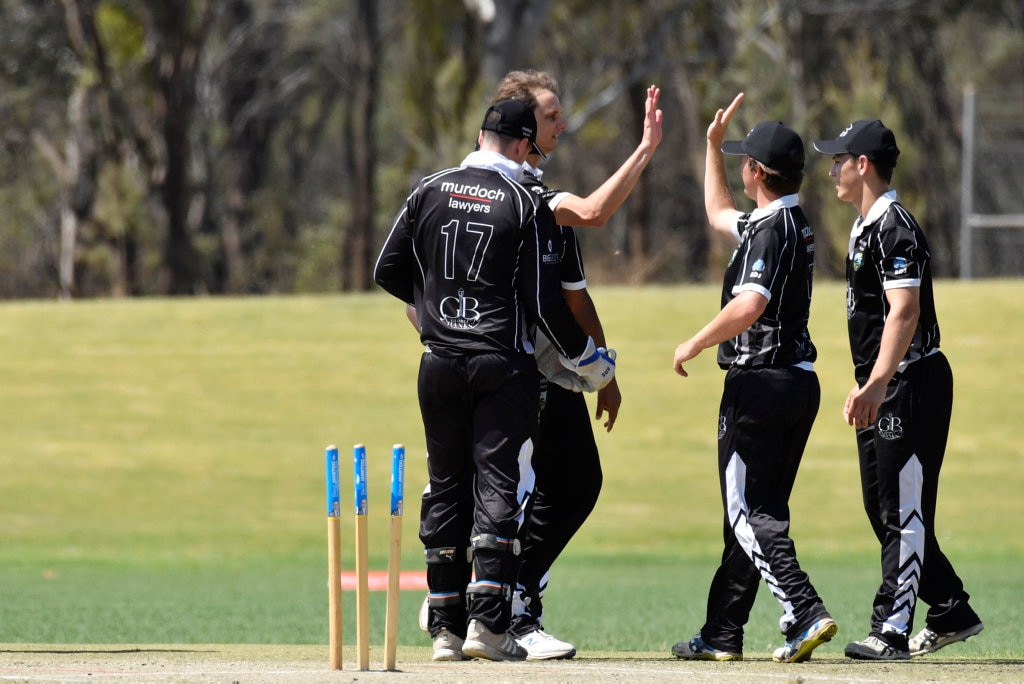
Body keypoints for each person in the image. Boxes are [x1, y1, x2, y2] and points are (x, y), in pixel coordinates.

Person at [374, 99, 616, 662]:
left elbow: (388, 270)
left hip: (438, 361)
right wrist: (591, 361)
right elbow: (544, 301)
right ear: (520, 145)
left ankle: (444, 630)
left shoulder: (429, 188)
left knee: (446, 483)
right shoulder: (525, 201)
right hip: (500, 364)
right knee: (497, 487)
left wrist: (432, 318)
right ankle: (489, 628)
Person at [490, 70, 663, 660]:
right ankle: (507, 608)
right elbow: (594, 211)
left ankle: (495, 599)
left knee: (573, 484)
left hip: (555, 368)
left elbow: (575, 296)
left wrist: (605, 374)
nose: (563, 124)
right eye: (550, 116)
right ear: (519, 127)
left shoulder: (542, 198)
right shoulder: (526, 198)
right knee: (531, 490)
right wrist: (643, 152)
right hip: (513, 371)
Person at [670, 92, 837, 663]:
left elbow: (751, 304)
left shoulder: (768, 233)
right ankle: (722, 632)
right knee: (756, 512)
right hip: (798, 383)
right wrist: (712, 149)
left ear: (757, 172)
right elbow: (720, 215)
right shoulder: (787, 221)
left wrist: (695, 340)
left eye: (742, 159)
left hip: (759, 384)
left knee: (747, 513)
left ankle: (804, 611)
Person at [813, 119, 983, 660]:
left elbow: (904, 312)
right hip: (886, 384)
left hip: (910, 383)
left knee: (903, 510)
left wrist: (878, 384)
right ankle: (950, 607)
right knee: (882, 506)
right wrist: (868, 383)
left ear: (863, 164)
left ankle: (890, 630)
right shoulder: (867, 227)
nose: (832, 169)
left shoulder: (895, 227)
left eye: (839, 159)